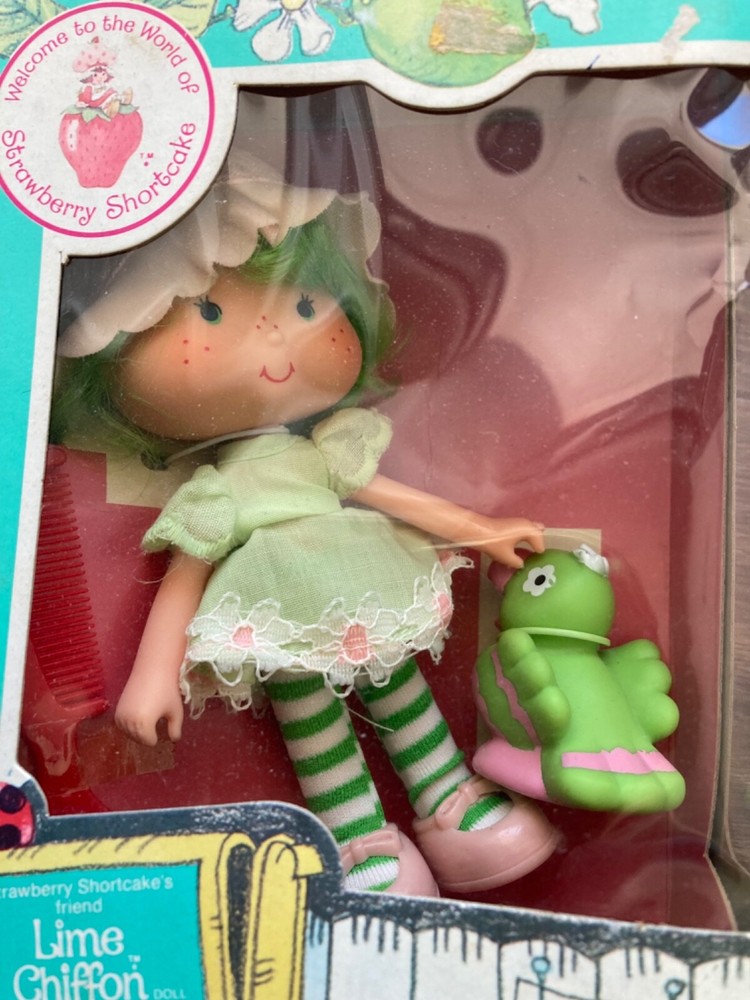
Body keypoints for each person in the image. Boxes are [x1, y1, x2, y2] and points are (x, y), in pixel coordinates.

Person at [55, 152, 556, 895]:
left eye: (303, 306)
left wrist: (480, 528)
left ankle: (448, 794)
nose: (272, 339)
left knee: (397, 684)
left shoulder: (327, 452)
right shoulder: (216, 492)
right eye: (211, 313)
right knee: (309, 716)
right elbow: (186, 576)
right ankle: (355, 839)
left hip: (360, 584)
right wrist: (153, 677)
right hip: (273, 611)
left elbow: (389, 494)